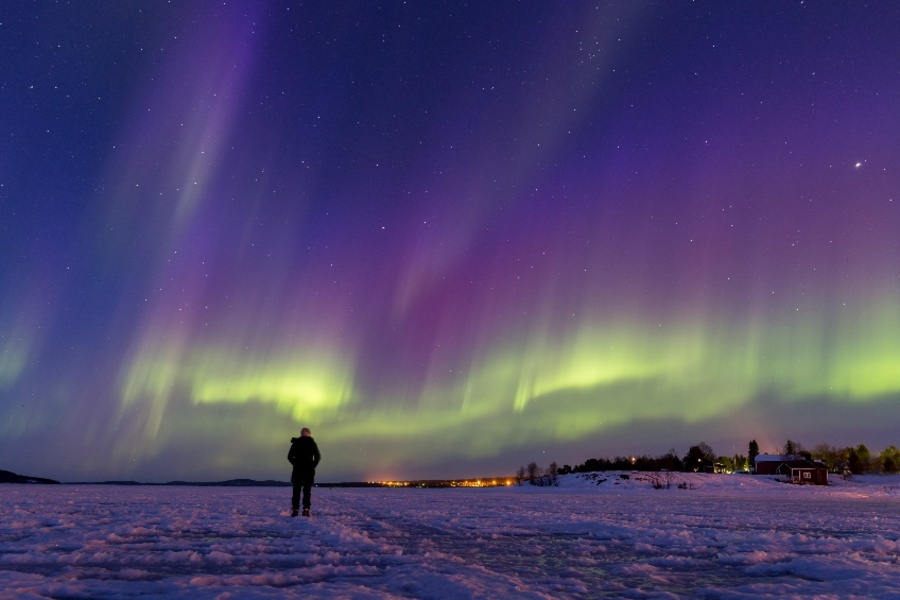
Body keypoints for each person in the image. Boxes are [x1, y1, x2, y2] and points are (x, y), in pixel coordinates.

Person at [287, 427, 321, 517]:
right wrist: (312, 466)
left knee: (296, 491)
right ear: (309, 434)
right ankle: (306, 510)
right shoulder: (312, 443)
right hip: (308, 471)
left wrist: (296, 464)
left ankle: (295, 510)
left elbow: (289, 456)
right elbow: (318, 457)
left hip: (297, 470)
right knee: (307, 491)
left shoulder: (296, 443)